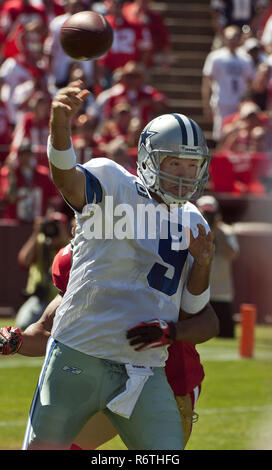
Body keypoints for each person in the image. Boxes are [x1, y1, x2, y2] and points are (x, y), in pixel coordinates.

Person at [22, 79, 215, 450]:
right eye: (174, 163)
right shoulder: (114, 182)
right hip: (78, 355)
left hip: (144, 369)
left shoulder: (194, 220)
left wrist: (203, 264)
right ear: (147, 159)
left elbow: (195, 312)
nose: (184, 175)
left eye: (193, 166)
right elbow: (67, 178)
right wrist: (60, 126)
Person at [0, 241, 218, 449]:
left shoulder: (157, 251)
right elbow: (48, 332)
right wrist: (16, 341)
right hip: (103, 376)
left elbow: (209, 321)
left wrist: (171, 332)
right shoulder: (75, 258)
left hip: (170, 382)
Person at [15, 211, 71, 331]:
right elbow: (24, 260)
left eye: (57, 226)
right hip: (40, 298)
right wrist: (36, 232)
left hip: (63, 299)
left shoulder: (70, 246)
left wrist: (64, 238)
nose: (53, 230)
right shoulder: (40, 242)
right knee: (23, 324)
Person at [196, 195, 239, 338]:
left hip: (221, 292)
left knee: (226, 334)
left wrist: (217, 232)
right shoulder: (191, 228)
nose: (208, 216)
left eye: (210, 213)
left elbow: (232, 254)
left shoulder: (226, 231)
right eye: (204, 212)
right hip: (198, 290)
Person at [202, 25, 254, 142]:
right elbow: (207, 82)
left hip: (240, 104)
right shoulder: (215, 57)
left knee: (239, 135)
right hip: (222, 102)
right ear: (224, 38)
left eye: (235, 37)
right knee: (221, 136)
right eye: (230, 37)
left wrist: (247, 101)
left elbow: (251, 82)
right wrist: (206, 104)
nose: (232, 40)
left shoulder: (246, 58)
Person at [0, 139, 61, 222]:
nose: (25, 157)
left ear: (32, 155)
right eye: (22, 154)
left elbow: (54, 199)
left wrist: (47, 216)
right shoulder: (8, 174)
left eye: (28, 154)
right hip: (15, 222)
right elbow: (10, 198)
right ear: (17, 156)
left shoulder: (43, 174)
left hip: (38, 222)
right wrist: (11, 174)